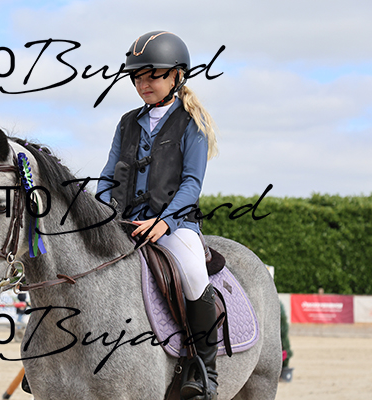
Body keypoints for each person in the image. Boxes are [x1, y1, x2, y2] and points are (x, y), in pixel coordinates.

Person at [97, 31, 219, 400]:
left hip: (173, 225)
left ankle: (204, 368)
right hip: (123, 222)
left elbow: (192, 183)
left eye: (153, 75)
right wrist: (101, 212)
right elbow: (108, 174)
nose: (143, 84)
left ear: (177, 76)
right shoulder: (127, 122)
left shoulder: (191, 122)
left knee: (194, 274)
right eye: (137, 77)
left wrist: (164, 221)